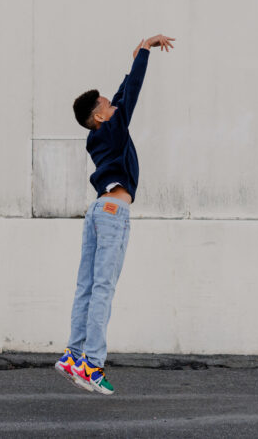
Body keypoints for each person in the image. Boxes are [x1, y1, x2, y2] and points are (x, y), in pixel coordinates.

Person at [55, 33, 175, 394]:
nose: (115, 105)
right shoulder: (112, 130)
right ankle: (92, 364)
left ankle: (73, 355)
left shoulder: (101, 136)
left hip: (97, 211)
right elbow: (131, 94)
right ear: (99, 116)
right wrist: (144, 54)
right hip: (112, 213)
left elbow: (121, 98)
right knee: (103, 288)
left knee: (87, 286)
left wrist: (137, 55)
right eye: (108, 104)